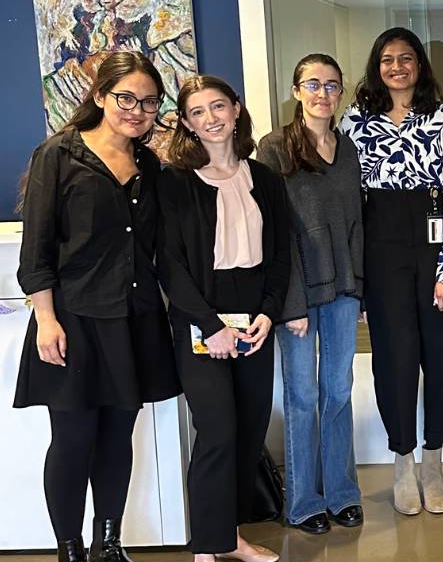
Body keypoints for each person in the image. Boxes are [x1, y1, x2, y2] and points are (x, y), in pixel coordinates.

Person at [15, 51, 179, 562]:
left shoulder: (149, 165)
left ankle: (109, 544)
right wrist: (46, 319)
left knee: (117, 436)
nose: (137, 110)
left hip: (134, 318)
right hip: (74, 319)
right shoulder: (58, 155)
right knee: (73, 438)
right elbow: (36, 249)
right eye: (126, 98)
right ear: (100, 96)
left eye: (149, 102)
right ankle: (70, 550)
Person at [157, 75, 290, 562]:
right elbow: (170, 264)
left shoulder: (266, 180)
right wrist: (210, 326)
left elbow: (280, 256)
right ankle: (206, 548)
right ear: (187, 123)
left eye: (218, 106)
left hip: (254, 314)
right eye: (197, 112)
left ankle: (230, 537)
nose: (210, 118)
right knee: (216, 429)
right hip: (200, 315)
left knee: (250, 428)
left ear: (236, 109)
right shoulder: (174, 183)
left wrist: (269, 314)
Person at [340, 27, 443, 516]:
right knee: (393, 358)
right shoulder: (355, 119)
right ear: (377, 66)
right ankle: (402, 461)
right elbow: (349, 203)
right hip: (380, 243)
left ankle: (433, 461)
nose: (397, 67)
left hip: (434, 237)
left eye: (406, 58)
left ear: (420, 65)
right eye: (388, 59)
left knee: (441, 354)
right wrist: (357, 283)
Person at [258, 54, 363, 535]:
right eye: (313, 84)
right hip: (297, 296)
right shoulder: (275, 147)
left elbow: (358, 223)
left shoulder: (350, 149)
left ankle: (342, 493)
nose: (323, 94)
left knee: (337, 392)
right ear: (296, 91)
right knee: (301, 397)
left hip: (342, 291)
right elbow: (275, 232)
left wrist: (359, 291)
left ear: (341, 92)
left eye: (332, 85)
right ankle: (303, 502)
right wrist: (291, 303)